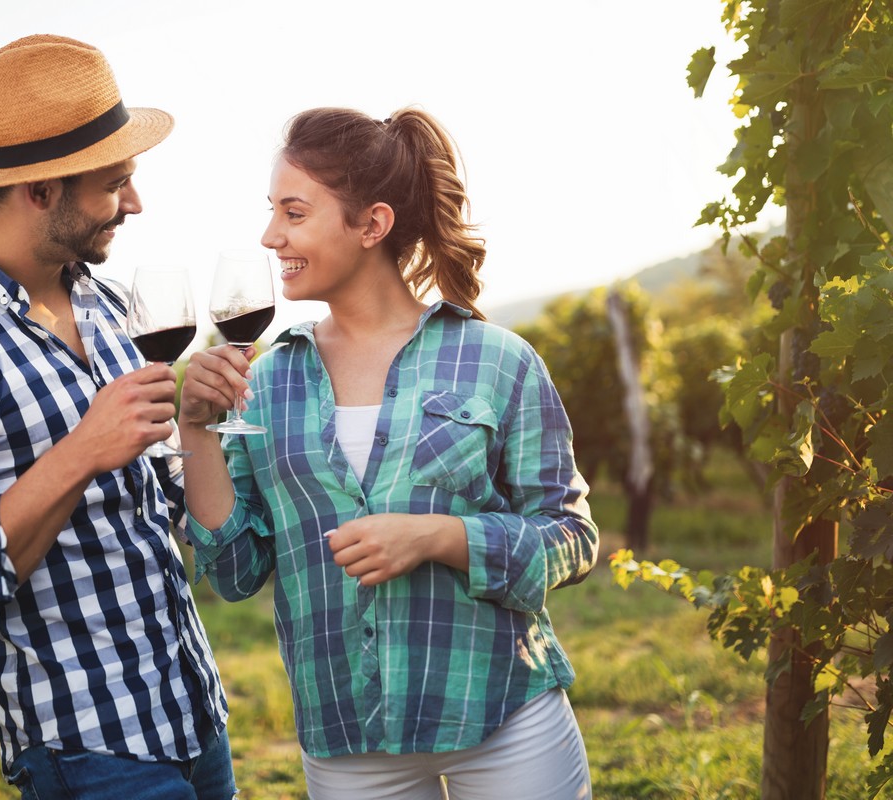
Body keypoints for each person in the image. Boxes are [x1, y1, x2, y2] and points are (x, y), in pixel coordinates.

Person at [177, 106, 598, 800]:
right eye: (272, 211)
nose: (270, 235)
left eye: (294, 212)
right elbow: (234, 570)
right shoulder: (268, 379)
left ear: (371, 225)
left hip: (502, 714)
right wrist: (196, 431)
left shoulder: (497, 361)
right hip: (349, 736)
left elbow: (573, 539)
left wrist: (442, 536)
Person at [0, 35, 234, 800]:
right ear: (40, 192)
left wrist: (198, 429)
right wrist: (79, 452)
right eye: (114, 185)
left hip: (195, 715)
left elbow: (162, 509)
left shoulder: (111, 305)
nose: (134, 203)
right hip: (89, 751)